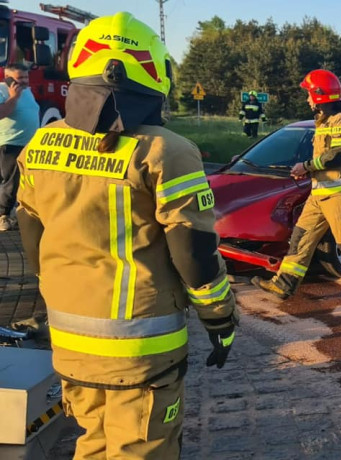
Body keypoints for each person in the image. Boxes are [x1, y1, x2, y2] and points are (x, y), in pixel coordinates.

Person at [15, 12, 238, 458]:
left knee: (92, 445)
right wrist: (220, 318)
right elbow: (193, 253)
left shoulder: (40, 145)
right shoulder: (166, 151)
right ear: (154, 76)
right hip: (140, 352)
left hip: (71, 346)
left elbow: (30, 237)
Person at [251, 69, 341, 301]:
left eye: (309, 94)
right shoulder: (323, 122)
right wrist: (309, 171)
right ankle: (284, 284)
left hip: (339, 196)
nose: (307, 99)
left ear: (320, 95)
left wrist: (306, 167)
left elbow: (339, 156)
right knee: (300, 238)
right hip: (319, 195)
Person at [0, 63, 39, 231]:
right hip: (11, 144)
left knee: (24, 182)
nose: (24, 81)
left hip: (28, 144)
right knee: (10, 182)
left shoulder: (27, 91)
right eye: (19, 78)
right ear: (7, 78)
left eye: (26, 77)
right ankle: (3, 216)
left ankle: (14, 213)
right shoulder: (3, 91)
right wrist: (13, 97)